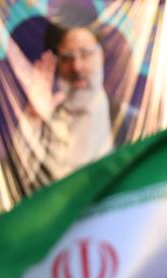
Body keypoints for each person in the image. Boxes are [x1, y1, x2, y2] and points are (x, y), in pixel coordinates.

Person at [13, 24, 113, 194]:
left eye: (86, 54)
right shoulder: (43, 122)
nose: (77, 66)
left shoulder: (129, 120)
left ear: (101, 55)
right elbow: (15, 185)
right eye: (67, 57)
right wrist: (33, 115)